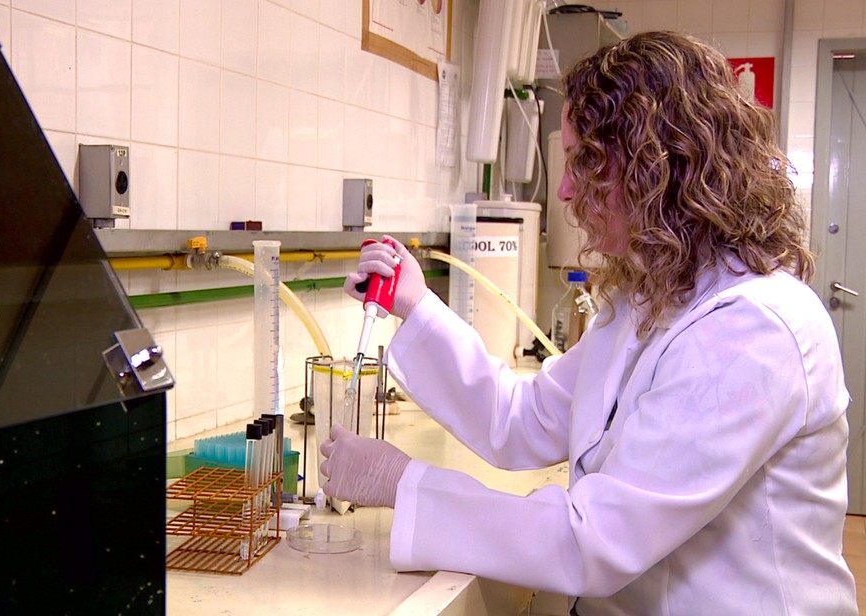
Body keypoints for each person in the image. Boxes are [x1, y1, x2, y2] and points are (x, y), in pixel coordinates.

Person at [319, 31, 858, 615]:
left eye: (585, 162)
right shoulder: (647, 300)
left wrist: (402, 484)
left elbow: (594, 541)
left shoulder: (751, 328)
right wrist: (417, 307)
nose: (566, 190)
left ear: (664, 167)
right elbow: (520, 420)